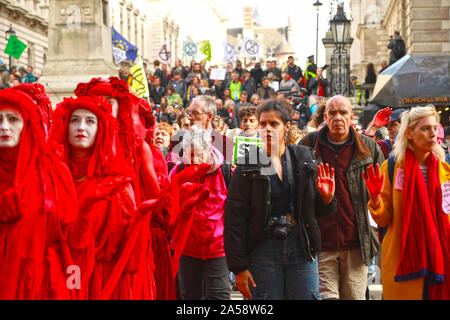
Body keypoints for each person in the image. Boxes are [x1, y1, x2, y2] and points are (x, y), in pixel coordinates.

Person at [224, 100, 337, 300]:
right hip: (262, 249)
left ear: (286, 126)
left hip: (301, 247)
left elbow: (315, 212)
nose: (267, 129)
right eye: (263, 124)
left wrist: (327, 199)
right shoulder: (249, 162)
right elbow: (234, 218)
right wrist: (239, 267)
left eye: (274, 124)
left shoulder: (303, 157)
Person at [299, 95, 384, 300]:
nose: (338, 117)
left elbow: (384, 195)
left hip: (357, 243)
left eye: (343, 112)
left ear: (351, 117)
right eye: (333, 113)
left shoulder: (369, 149)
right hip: (321, 244)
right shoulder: (307, 146)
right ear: (325, 117)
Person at [364, 105, 450, 300]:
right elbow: (384, 220)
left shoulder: (444, 168)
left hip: (440, 260)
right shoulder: (393, 167)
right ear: (410, 133)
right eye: (425, 128)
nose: (432, 133)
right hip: (403, 260)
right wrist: (376, 199)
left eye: (435, 128)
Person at [0, 88, 78, 299]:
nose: (4, 127)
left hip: (42, 281)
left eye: (12, 119)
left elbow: (70, 236)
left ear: (27, 124)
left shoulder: (54, 171)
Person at [170, 126, 232, 300]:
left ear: (208, 150)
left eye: (198, 154)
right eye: (189, 155)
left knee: (219, 295)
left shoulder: (225, 172)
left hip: (218, 247)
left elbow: (234, 211)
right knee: (189, 296)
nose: (194, 161)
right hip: (186, 246)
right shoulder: (178, 171)